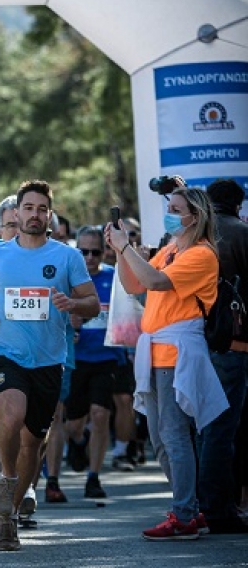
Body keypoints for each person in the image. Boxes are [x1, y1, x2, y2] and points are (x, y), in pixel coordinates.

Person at [0, 180, 99, 552]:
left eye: (42, 209)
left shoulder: (67, 257)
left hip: (49, 359)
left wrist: (72, 305)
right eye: (29, 208)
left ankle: (7, 519)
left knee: (34, 442)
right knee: (10, 415)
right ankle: (7, 481)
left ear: (50, 215)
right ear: (16, 213)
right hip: (4, 351)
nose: (35, 214)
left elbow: (90, 301)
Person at [105, 186, 227, 541]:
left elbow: (155, 281)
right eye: (168, 207)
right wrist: (120, 252)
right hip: (155, 351)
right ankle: (188, 508)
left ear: (196, 215)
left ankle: (186, 514)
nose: (169, 213)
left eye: (176, 208)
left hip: (177, 353)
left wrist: (128, 247)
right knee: (159, 439)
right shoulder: (173, 248)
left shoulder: (202, 254)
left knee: (174, 437)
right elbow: (134, 285)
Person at [197, 179, 248, 534]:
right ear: (238, 204)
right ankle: (217, 508)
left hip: (196, 341)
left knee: (207, 425)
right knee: (224, 427)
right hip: (232, 342)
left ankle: (208, 503)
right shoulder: (240, 232)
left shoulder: (192, 236)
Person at [65, 225, 127, 499]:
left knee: (101, 415)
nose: (89, 257)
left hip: (105, 358)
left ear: (104, 252)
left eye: (95, 251)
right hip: (75, 360)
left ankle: (94, 476)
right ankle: (77, 440)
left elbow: (127, 315)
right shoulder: (67, 280)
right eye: (83, 251)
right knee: (74, 424)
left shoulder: (114, 278)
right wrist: (68, 325)